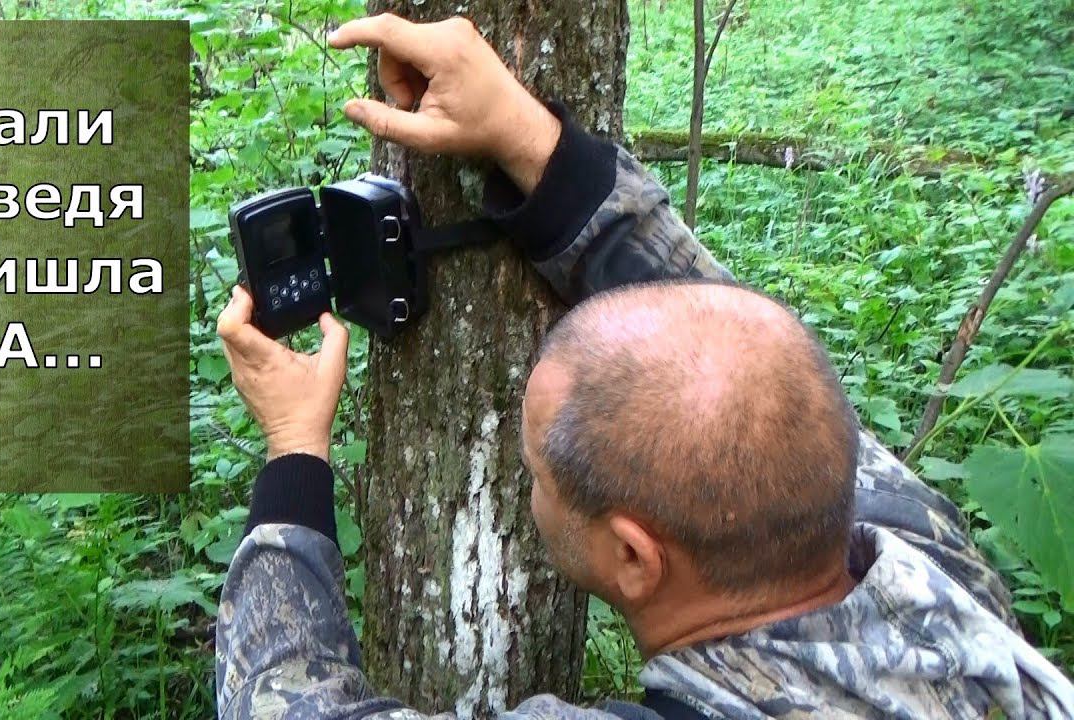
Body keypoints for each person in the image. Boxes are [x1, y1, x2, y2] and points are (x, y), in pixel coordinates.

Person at [213, 13, 1074, 720]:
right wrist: (523, 135)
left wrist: (294, 449)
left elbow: (282, 704)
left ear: (634, 557)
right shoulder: (941, 577)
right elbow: (720, 331)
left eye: (536, 471)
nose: (530, 478)